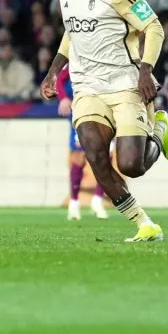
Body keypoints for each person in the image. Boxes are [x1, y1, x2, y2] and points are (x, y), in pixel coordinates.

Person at [40, 0, 168, 243]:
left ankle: (160, 129)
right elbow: (71, 34)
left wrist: (146, 71)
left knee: (132, 165)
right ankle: (145, 225)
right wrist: (53, 72)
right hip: (87, 88)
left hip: (126, 84)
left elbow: (154, 27)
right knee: (94, 153)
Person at [55, 64, 108, 220]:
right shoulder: (77, 54)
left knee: (106, 156)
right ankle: (74, 202)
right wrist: (63, 97)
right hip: (81, 110)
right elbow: (59, 79)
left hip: (103, 108)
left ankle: (97, 200)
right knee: (80, 156)